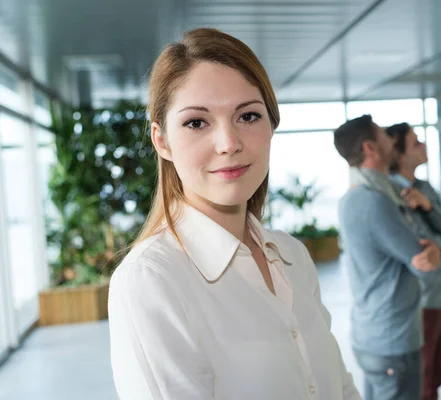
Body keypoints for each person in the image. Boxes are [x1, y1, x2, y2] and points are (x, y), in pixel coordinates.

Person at [108, 28, 361, 400]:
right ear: (161, 140)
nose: (229, 143)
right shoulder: (151, 282)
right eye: (196, 122)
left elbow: (340, 387)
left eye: (248, 116)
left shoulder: (292, 256)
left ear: (272, 125)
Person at [334, 114, 441, 400]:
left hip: (372, 335)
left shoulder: (357, 197)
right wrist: (434, 251)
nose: (391, 139)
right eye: (384, 134)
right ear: (371, 148)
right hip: (392, 340)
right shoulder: (374, 202)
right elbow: (423, 262)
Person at [386, 123, 441, 400]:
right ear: (400, 154)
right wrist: (437, 244)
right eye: (416, 142)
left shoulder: (425, 188)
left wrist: (428, 207)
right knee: (422, 384)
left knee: (435, 378)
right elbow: (417, 248)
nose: (424, 145)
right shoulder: (390, 195)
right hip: (420, 302)